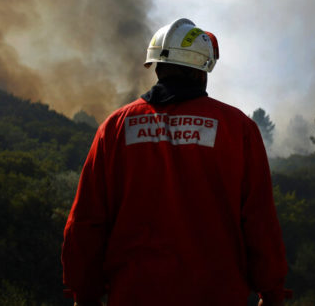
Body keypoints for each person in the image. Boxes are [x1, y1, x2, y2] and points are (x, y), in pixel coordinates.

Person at [62, 18, 289, 306]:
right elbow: (259, 220)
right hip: (217, 295)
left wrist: (84, 293)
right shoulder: (238, 128)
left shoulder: (115, 127)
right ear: (203, 71)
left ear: (156, 66)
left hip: (134, 294)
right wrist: (271, 292)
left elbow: (86, 221)